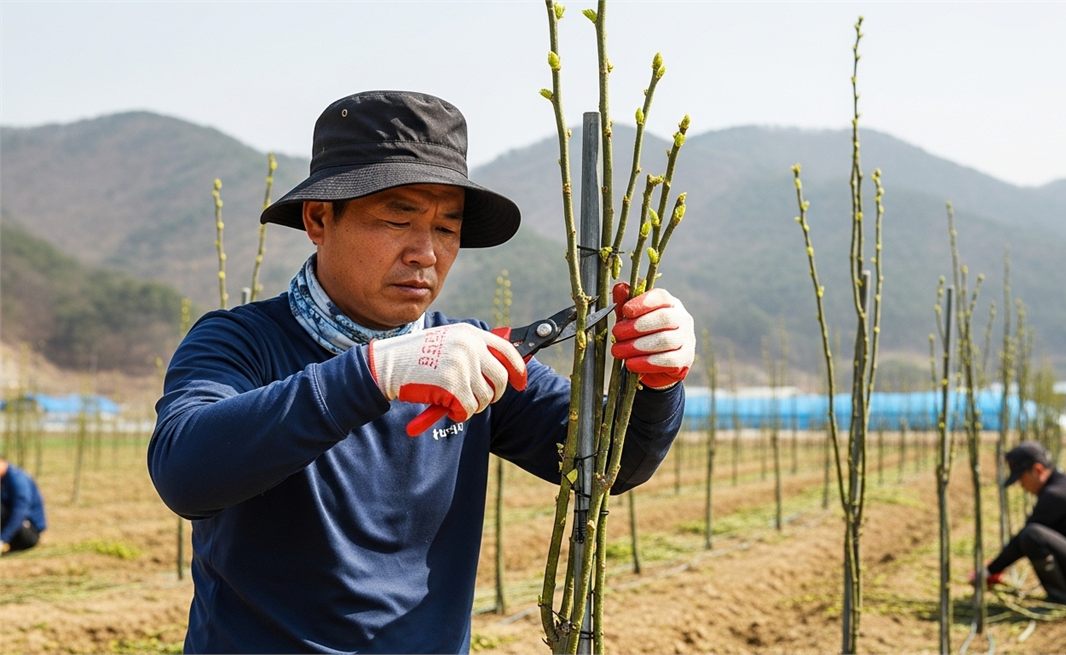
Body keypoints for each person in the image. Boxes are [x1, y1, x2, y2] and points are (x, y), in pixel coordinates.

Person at [148, 90, 695, 653]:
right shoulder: (240, 342)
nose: (425, 252)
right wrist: (372, 372)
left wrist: (658, 378)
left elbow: (612, 462)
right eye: (396, 218)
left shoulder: (471, 358)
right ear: (319, 219)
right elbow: (185, 472)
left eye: (447, 229)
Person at [976, 441, 1066, 606]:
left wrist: (989, 571)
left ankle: (1061, 599)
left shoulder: (1056, 495)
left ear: (1037, 470)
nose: (1021, 485)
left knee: (1032, 535)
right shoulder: (1062, 485)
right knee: (1033, 535)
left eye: (1021, 477)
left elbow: (1023, 540)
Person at [1, 455, 47, 556]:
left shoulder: (17, 479)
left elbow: (19, 512)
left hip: (30, 532)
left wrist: (3, 539)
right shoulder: (3, 480)